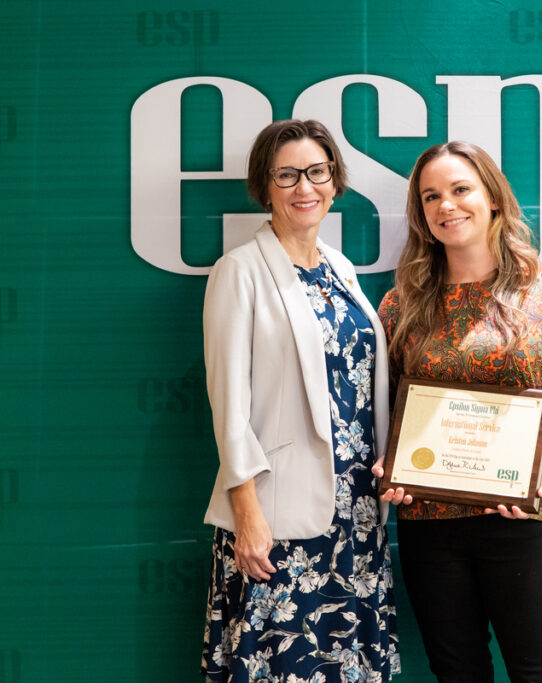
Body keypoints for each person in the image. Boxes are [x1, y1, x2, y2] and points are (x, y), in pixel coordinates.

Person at [373, 141, 542, 683]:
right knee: (456, 675)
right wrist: (388, 466)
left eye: (461, 189)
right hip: (429, 525)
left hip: (526, 519)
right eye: (431, 196)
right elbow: (386, 418)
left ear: (494, 200)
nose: (446, 205)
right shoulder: (400, 305)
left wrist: (531, 471)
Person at [200, 119, 400, 682]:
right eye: (286, 175)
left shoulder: (341, 269)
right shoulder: (239, 271)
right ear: (264, 187)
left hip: (356, 513)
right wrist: (246, 514)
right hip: (279, 514)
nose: (303, 187)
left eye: (317, 172)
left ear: (335, 181)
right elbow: (228, 403)